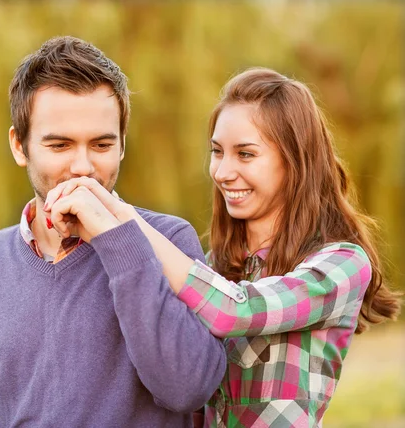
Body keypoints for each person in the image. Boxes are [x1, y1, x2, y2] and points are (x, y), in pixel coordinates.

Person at [43, 67, 402, 427]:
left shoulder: (342, 265)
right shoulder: (217, 265)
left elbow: (234, 311)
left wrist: (121, 219)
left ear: (296, 161)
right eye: (217, 151)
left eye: (245, 154)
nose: (222, 171)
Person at [0, 36, 227, 427]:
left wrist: (120, 243)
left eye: (102, 144)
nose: (82, 167)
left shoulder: (170, 241)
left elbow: (189, 388)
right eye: (60, 145)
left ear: (123, 144)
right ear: (19, 146)